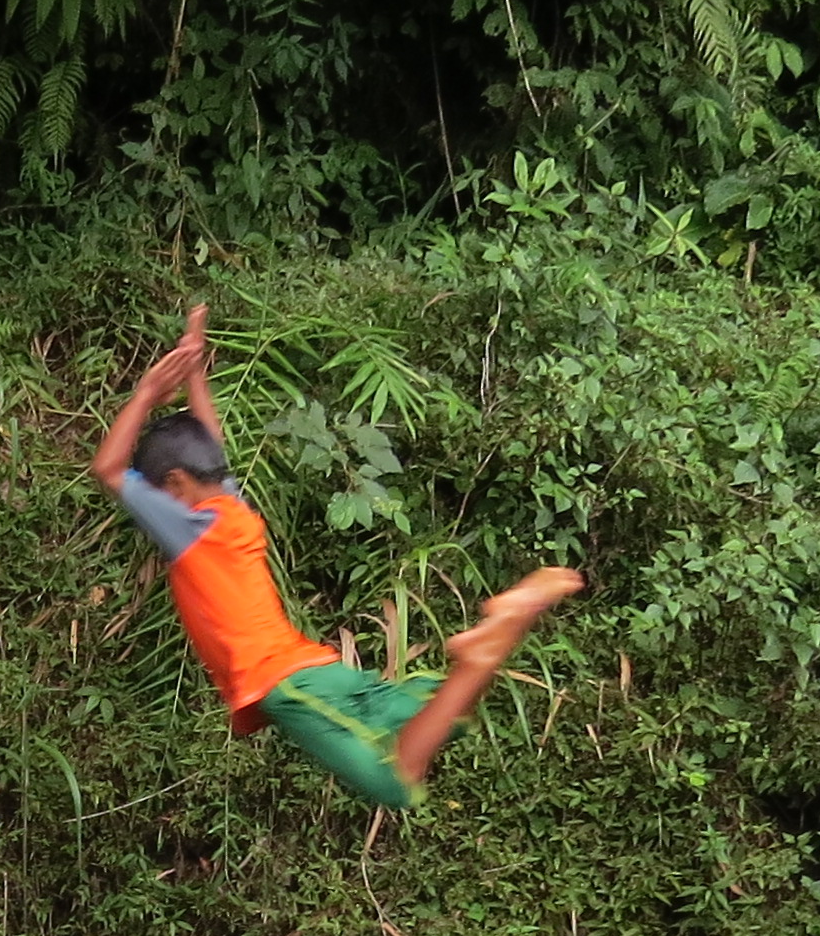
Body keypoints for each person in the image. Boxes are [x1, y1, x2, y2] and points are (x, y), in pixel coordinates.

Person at [92, 302, 583, 814]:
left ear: (175, 484)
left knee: (396, 780)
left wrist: (147, 392)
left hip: (286, 682)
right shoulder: (229, 508)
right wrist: (195, 370)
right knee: (448, 712)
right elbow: (209, 444)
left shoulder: (187, 526)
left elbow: (107, 468)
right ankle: (492, 642)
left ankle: (484, 652)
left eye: (158, 494)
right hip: (320, 670)